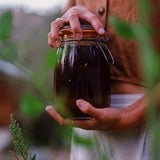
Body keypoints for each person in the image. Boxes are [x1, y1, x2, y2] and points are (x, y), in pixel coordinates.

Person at [46, 0, 160, 160]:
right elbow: (72, 9)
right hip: (84, 118)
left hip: (150, 117)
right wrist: (73, 13)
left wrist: (128, 114)